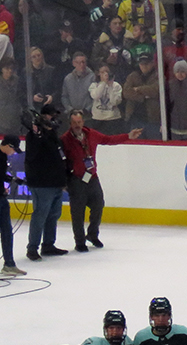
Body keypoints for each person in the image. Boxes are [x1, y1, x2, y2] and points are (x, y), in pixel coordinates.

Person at [61, 108, 143, 252]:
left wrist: (128, 136)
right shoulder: (65, 140)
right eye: (74, 122)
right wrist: (64, 181)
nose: (77, 125)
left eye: (79, 122)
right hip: (76, 180)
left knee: (98, 205)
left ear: (83, 122)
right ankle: (79, 241)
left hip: (92, 178)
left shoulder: (91, 134)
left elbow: (108, 140)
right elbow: (60, 162)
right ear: (70, 123)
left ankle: (92, 235)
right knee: (78, 213)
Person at [24, 104, 69, 263]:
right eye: (51, 115)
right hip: (41, 182)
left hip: (55, 182)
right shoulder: (34, 135)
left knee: (54, 214)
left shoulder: (53, 134)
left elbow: (59, 156)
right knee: (40, 215)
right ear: (43, 116)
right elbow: (32, 156)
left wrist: (62, 180)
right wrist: (39, 134)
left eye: (54, 115)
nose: (53, 118)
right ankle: (32, 248)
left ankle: (48, 244)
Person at [121, 50, 161, 139]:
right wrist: (144, 96)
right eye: (141, 64)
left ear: (152, 63)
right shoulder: (133, 75)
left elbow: (156, 90)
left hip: (153, 119)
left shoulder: (159, 75)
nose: (143, 66)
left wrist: (138, 89)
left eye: (146, 64)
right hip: (135, 119)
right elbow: (126, 92)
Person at [0, 131, 19, 277]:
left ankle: (9, 264)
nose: (13, 153)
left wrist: (12, 179)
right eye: (13, 149)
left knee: (7, 231)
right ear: (8, 145)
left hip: (2, 199)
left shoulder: (3, 157)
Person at [167, 60, 187, 139]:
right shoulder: (170, 85)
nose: (180, 74)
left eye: (182, 71)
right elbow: (167, 105)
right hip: (175, 126)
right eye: (177, 71)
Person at [88, 65, 124, 134]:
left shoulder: (116, 86)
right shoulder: (93, 85)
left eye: (107, 72)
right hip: (98, 118)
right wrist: (103, 83)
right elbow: (96, 96)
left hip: (113, 118)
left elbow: (115, 102)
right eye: (102, 72)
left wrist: (110, 86)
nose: (105, 74)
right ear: (98, 74)